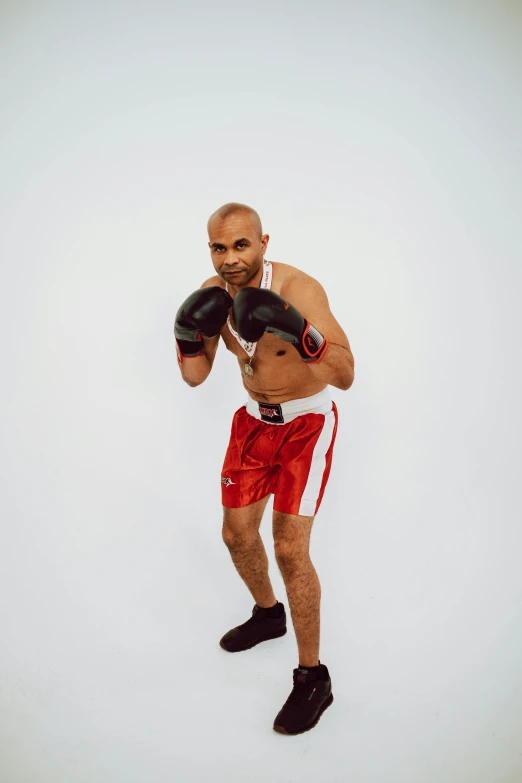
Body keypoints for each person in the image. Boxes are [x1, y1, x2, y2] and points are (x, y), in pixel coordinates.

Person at [174, 202, 354, 735]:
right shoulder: (213, 293)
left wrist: (298, 329)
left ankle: (312, 677)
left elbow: (344, 374)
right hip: (253, 423)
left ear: (264, 242)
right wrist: (187, 333)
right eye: (218, 247)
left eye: (241, 245)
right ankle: (268, 614)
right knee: (235, 536)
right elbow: (196, 377)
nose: (230, 258)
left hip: (305, 424)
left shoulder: (300, 289)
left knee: (289, 549)